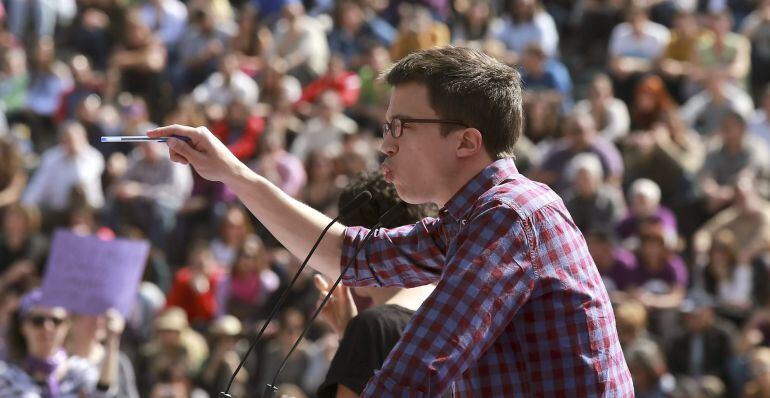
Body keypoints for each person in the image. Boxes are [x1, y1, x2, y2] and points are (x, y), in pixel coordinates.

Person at [149, 46, 633, 396]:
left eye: (401, 126)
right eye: (386, 126)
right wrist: (232, 172)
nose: (385, 144)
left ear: (466, 142)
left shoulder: (508, 216)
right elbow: (344, 253)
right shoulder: (477, 218)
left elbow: (412, 375)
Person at [315, 172, 437, 398]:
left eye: (344, 237)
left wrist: (357, 336)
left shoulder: (372, 326)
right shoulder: (455, 310)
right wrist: (347, 336)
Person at [0, 289, 124, 397]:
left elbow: (102, 394)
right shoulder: (7, 378)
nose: (48, 328)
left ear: (67, 326)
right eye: (38, 321)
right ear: (23, 327)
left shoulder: (79, 371)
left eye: (56, 321)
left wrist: (112, 340)